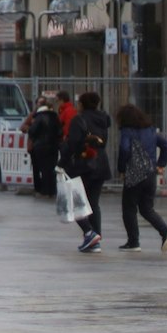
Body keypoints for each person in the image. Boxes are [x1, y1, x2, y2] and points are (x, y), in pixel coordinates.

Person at [114, 104, 167, 253]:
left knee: (129, 208)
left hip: (134, 175)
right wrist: (161, 164)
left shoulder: (127, 131)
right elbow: (166, 145)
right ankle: (165, 230)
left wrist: (121, 168)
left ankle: (133, 242)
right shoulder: (150, 130)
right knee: (147, 208)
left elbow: (124, 149)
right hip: (150, 174)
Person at [59, 91, 113, 253]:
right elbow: (102, 143)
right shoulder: (103, 119)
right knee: (93, 203)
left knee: (77, 201)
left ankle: (90, 233)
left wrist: (61, 163)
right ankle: (95, 239)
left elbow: (73, 144)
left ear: (82, 104)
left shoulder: (79, 119)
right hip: (101, 164)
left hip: (84, 165)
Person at [26, 96, 62, 196]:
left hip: (41, 146)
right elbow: (59, 131)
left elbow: (32, 130)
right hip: (53, 146)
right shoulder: (55, 117)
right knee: (51, 169)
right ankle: (53, 190)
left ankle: (45, 191)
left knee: (44, 169)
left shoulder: (39, 117)